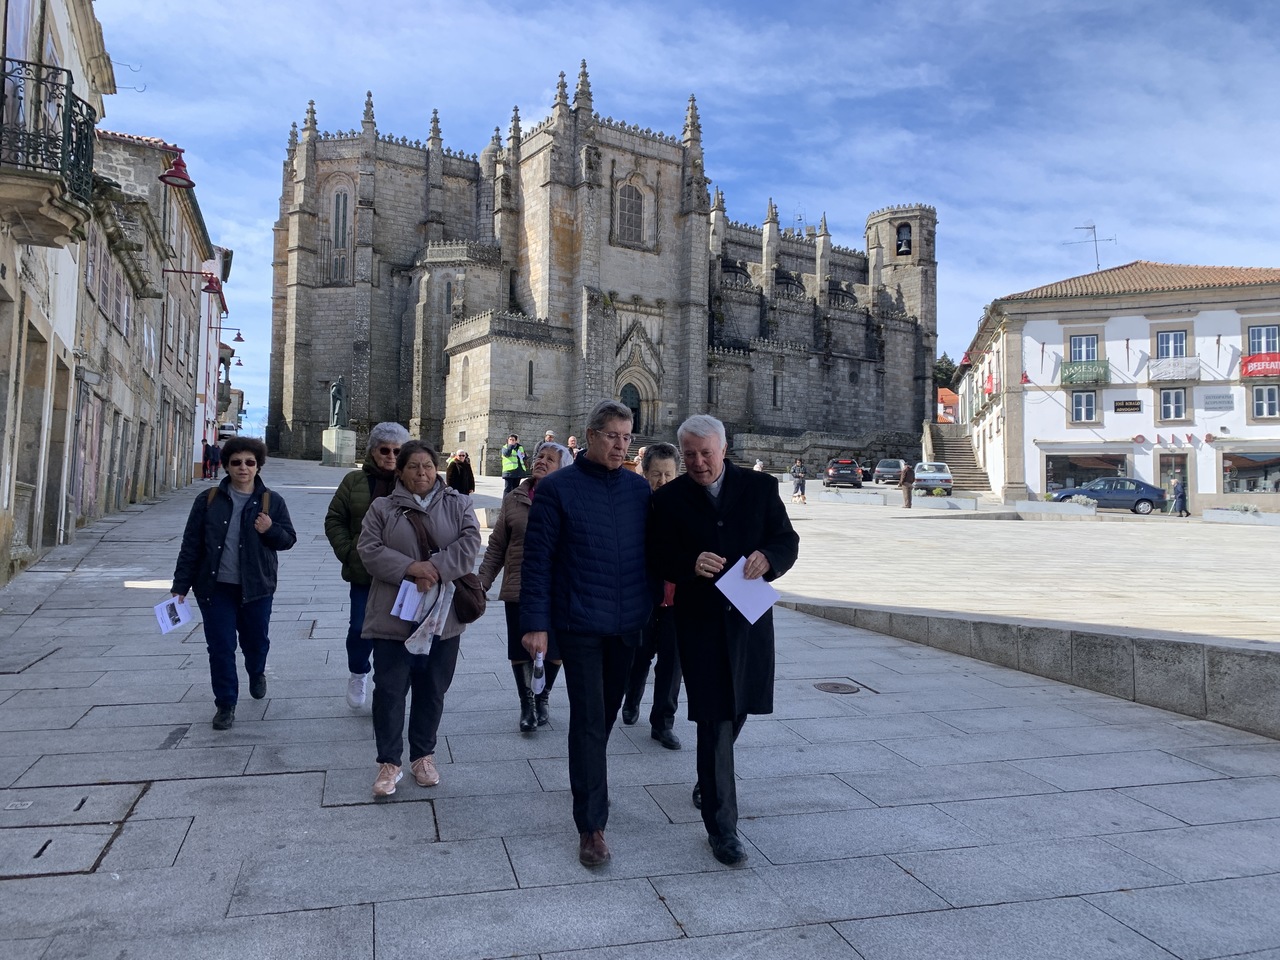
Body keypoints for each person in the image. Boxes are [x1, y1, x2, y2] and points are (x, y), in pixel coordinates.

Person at [649, 414, 799, 866]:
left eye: (706, 453)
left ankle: (710, 775)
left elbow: (787, 540)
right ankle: (722, 828)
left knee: (741, 705)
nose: (698, 462)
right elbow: (657, 555)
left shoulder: (760, 488)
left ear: (724, 449)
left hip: (749, 621)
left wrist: (768, 557)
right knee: (713, 717)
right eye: (690, 455)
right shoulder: (669, 499)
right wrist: (688, 564)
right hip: (700, 623)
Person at [520, 399, 652, 868]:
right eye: (612, 436)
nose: (621, 445)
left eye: (627, 437)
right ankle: (591, 825)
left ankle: (591, 779)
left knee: (605, 717)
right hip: (579, 624)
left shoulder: (638, 489)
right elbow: (537, 560)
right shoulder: (557, 488)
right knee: (590, 720)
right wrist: (535, 624)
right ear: (591, 436)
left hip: (627, 625)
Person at [357, 440, 481, 798]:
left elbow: (470, 544)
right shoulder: (383, 508)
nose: (422, 473)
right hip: (393, 614)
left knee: (433, 688)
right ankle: (389, 762)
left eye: (427, 466)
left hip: (443, 616)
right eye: (413, 466)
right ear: (400, 472)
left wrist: (435, 569)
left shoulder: (458, 503)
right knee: (390, 690)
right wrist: (412, 568)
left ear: (436, 469)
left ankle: (423, 756)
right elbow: (368, 549)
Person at [171, 437, 297, 730]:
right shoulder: (208, 500)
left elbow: (288, 540)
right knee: (221, 647)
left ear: (258, 466)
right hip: (215, 588)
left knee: (256, 642)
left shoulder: (272, 501)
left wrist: (270, 529)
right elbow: (191, 544)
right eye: (236, 462)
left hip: (257, 587)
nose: (243, 467)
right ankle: (225, 703)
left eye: (250, 462)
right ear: (226, 466)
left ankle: (256, 671)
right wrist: (180, 585)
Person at [478, 442, 574, 732]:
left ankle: (543, 696)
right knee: (520, 647)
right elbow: (497, 545)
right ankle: (527, 704)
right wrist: (482, 582)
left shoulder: (570, 497)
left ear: (563, 468)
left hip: (558, 587)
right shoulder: (515, 497)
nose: (541, 461)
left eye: (550, 459)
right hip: (518, 584)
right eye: (539, 456)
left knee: (555, 647)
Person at [324, 422, 410, 709]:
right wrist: (349, 552)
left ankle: (386, 689)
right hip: (364, 571)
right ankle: (358, 672)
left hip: (402, 574)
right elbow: (335, 519)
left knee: (397, 633)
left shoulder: (412, 480)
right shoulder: (354, 481)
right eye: (384, 450)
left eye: (397, 451)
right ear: (373, 451)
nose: (391, 456)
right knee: (360, 627)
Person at [621, 442, 683, 750]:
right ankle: (631, 700)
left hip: (678, 597)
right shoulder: (636, 504)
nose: (662, 480)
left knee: (672, 663)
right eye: (657, 474)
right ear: (644, 473)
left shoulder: (688, 504)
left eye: (668, 474)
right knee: (639, 655)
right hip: (644, 594)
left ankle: (663, 723)